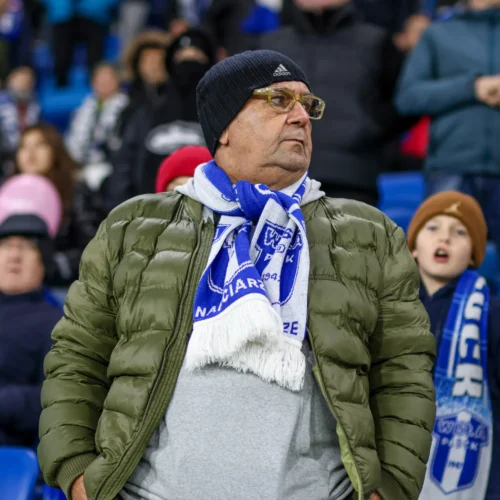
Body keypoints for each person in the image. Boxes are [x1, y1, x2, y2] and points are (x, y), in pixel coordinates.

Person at [38, 50, 436, 500]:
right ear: (224, 127)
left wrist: (390, 487)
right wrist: (77, 473)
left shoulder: (369, 234)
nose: (301, 117)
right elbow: (77, 356)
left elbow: (404, 371)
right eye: (279, 100)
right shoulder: (133, 227)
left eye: (307, 105)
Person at [260, 0, 407, 206]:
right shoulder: (269, 44)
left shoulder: (377, 41)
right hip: (280, 177)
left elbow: (405, 102)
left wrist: (369, 131)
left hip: (353, 177)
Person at [407, 191, 500, 500]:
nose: (444, 237)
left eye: (460, 232)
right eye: (433, 227)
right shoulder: (388, 307)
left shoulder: (492, 313)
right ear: (414, 247)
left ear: (474, 254)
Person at [395, 0, 500, 253]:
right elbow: (408, 98)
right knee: (440, 265)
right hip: (451, 167)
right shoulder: (439, 34)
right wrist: (472, 88)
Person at [106, 28, 216, 210]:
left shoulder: (224, 113)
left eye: (196, 56)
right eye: (181, 58)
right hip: (149, 214)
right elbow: (124, 165)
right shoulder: (145, 113)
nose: (188, 65)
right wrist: (126, 210)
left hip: (212, 213)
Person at [0, 173, 63, 448]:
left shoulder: (56, 324)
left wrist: (7, 401)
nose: (14, 255)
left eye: (26, 247)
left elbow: (57, 398)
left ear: (43, 263)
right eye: (6, 245)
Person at [14, 124, 104, 286]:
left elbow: (94, 249)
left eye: (39, 145)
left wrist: (52, 266)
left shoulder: (75, 190)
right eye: (24, 147)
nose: (30, 153)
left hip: (61, 285)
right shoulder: (8, 192)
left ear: (55, 150)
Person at [41, 0, 120, 87]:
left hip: (94, 13)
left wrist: (97, 5)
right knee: (61, 56)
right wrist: (58, 5)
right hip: (61, 13)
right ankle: (60, 83)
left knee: (95, 56)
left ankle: (97, 82)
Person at [66, 63, 129, 166]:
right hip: (82, 162)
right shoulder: (84, 107)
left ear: (118, 81)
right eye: (100, 78)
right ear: (93, 82)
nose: (104, 83)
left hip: (113, 163)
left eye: (108, 78)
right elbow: (73, 138)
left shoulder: (127, 107)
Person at [0, 66, 40, 154]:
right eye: (21, 81)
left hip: (26, 151)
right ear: (11, 80)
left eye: (29, 82)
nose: (24, 85)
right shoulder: (2, 102)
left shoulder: (35, 104)